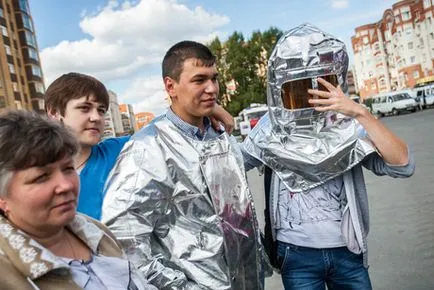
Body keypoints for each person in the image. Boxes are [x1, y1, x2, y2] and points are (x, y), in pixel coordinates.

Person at [243, 23, 415, 290]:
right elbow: (231, 167)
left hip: (346, 250)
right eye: (298, 87)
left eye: (319, 85)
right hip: (296, 253)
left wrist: (360, 113)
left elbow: (403, 165)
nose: (310, 96)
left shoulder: (348, 125)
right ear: (280, 88)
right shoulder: (270, 129)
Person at [102, 40, 270, 289]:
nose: (212, 88)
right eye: (199, 80)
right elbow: (122, 240)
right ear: (171, 86)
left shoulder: (220, 135)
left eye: (214, 78)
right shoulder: (147, 149)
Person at [0, 110, 156, 289]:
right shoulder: (5, 274)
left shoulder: (95, 231)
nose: (65, 185)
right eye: (41, 177)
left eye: (68, 169)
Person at [44, 73, 234, 220]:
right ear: (54, 113)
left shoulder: (120, 151)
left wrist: (204, 109)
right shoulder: (34, 174)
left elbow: (162, 128)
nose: (96, 117)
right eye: (84, 108)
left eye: (101, 110)